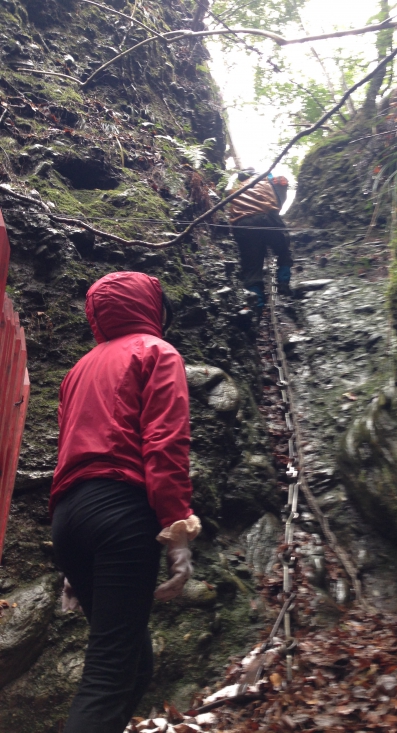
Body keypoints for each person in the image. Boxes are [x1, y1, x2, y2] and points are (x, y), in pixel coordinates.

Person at [49, 271, 201, 733]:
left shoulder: (79, 370)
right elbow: (165, 443)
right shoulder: (157, 352)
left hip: (70, 517)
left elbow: (68, 452)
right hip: (121, 512)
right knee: (109, 674)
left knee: (133, 664)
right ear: (152, 307)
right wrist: (178, 532)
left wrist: (74, 565)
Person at [229, 169, 293, 308]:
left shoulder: (236, 188)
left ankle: (256, 305)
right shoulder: (267, 178)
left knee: (252, 267)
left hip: (243, 224)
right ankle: (283, 284)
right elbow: (280, 194)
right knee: (283, 252)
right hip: (267, 216)